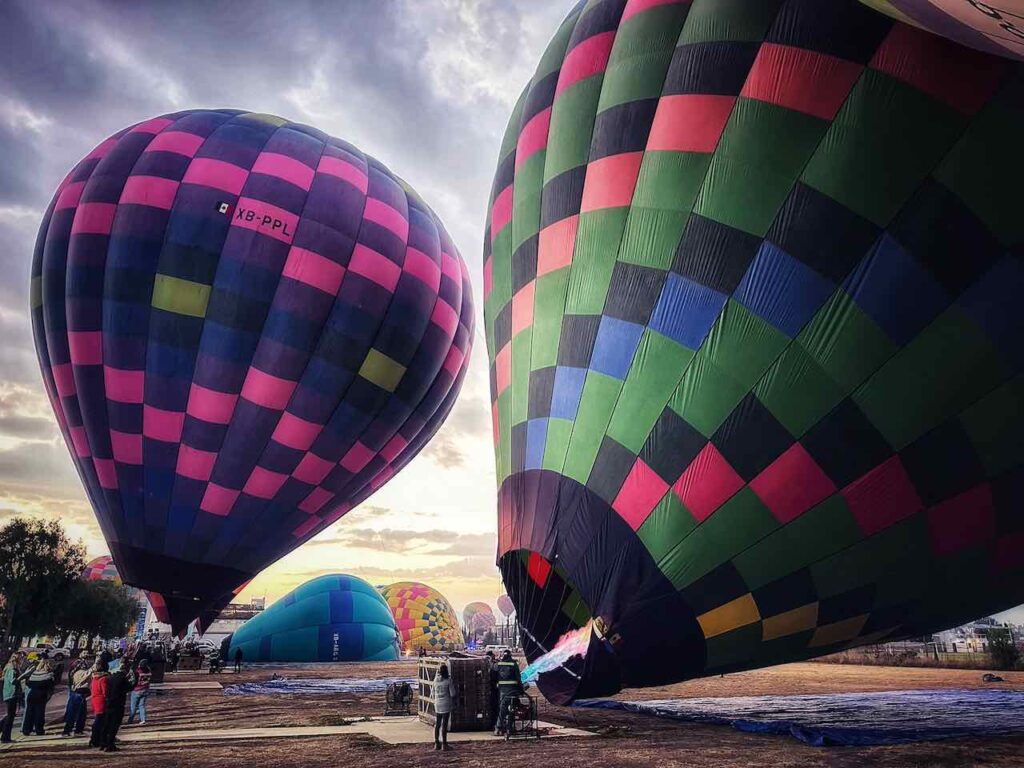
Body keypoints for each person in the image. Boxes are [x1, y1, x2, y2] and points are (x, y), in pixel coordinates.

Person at [100, 660, 134, 751]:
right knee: (114, 725)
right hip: (118, 703)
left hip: (109, 702)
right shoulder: (123, 678)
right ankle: (110, 744)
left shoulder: (110, 678)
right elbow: (130, 687)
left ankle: (103, 742)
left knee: (106, 724)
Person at [21, 658, 55, 736]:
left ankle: (26, 730)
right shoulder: (49, 675)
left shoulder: (34, 673)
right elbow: (51, 686)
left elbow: (28, 683)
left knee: (29, 713)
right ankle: (39, 730)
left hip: (31, 694)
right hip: (41, 695)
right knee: (39, 713)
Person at [494, 649, 523, 737]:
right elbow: (518, 678)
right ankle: (510, 728)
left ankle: (498, 728)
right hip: (513, 690)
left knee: (502, 709)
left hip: (502, 691)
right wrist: (521, 690)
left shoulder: (498, 664)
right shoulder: (513, 664)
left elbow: (493, 674)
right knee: (513, 709)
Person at [62, 658, 92, 736]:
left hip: (75, 693)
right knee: (81, 714)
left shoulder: (73, 673)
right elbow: (88, 673)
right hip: (80, 694)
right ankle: (77, 730)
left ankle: (68, 730)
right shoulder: (80, 673)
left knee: (72, 714)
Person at [1, 652, 26, 743]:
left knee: (10, 715)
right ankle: (5, 737)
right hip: (11, 694)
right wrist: (21, 677)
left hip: (10, 693)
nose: (22, 660)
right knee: (10, 716)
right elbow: (13, 681)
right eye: (21, 659)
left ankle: (3, 731)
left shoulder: (11, 667)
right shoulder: (12, 668)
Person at [432, 663, 457, 751]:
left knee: (437, 724)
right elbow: (452, 693)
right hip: (446, 703)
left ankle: (436, 743)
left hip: (437, 704)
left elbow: (432, 693)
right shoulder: (448, 681)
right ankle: (444, 744)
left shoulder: (435, 680)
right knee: (444, 724)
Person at [88, 659, 110, 748]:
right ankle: (96, 739)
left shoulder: (94, 677)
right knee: (100, 721)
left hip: (95, 700)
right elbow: (105, 692)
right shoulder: (103, 679)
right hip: (101, 701)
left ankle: (95, 739)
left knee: (98, 720)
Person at [126, 659, 151, 726]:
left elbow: (133, 679)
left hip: (137, 690)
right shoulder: (148, 671)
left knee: (133, 706)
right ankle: (143, 719)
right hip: (145, 689)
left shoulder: (138, 671)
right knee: (142, 705)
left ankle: (130, 719)